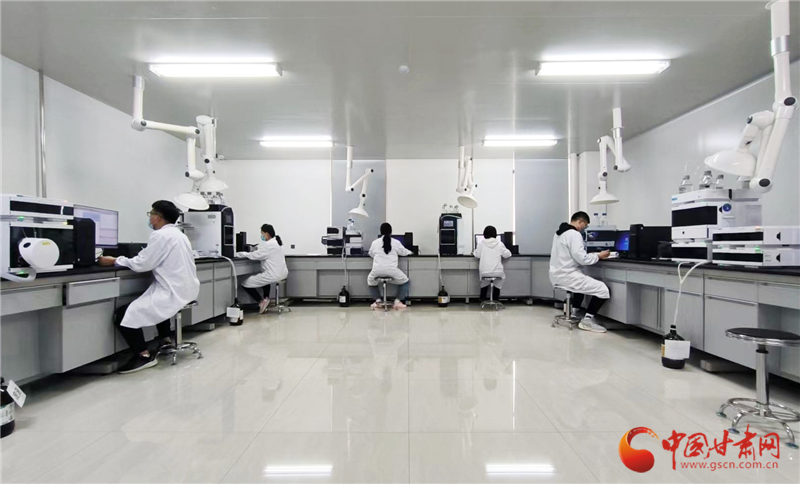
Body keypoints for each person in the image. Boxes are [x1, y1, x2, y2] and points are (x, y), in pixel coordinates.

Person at [98, 201, 200, 373]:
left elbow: (143, 263)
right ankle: (165, 340)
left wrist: (114, 260)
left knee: (123, 315)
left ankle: (143, 356)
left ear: (158, 217)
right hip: (186, 289)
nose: (150, 217)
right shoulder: (179, 235)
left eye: (151, 214)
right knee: (156, 304)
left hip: (173, 291)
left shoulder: (160, 235)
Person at [549, 211, 611, 333]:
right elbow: (582, 259)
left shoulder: (559, 233)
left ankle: (575, 313)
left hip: (557, 275)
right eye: (585, 226)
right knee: (602, 289)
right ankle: (587, 320)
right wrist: (599, 256)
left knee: (580, 285)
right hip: (567, 275)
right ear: (581, 222)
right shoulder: (574, 234)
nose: (584, 229)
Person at [235, 224, 288, 314]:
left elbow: (255, 256)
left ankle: (261, 302)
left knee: (245, 283)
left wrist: (240, 254)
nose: (261, 235)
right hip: (281, 273)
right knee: (264, 279)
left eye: (262, 233)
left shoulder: (268, 245)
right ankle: (266, 299)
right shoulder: (275, 243)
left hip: (273, 274)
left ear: (266, 233)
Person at [368, 223, 411, 310]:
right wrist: (411, 252)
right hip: (392, 271)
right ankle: (397, 302)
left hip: (377, 270)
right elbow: (404, 252)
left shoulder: (375, 243)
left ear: (380, 232)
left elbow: (371, 253)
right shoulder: (396, 242)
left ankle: (378, 301)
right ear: (391, 231)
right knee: (405, 281)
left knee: (370, 281)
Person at [474, 225, 512, 301]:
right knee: (498, 282)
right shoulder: (499, 244)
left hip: (485, 272)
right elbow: (507, 255)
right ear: (495, 234)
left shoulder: (481, 244)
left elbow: (477, 255)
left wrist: (474, 251)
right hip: (497, 272)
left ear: (484, 234)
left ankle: (483, 299)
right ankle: (495, 299)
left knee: (484, 282)